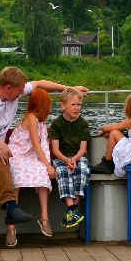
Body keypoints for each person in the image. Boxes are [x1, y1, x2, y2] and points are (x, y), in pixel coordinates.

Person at [0, 66, 88, 251]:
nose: (22, 94)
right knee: (1, 153)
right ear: (8, 87)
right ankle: (11, 206)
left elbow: (40, 83)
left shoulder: (15, 90)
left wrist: (69, 89)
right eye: (19, 91)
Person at [5, 89, 57, 245]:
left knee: (42, 175)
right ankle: (11, 226)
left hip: (30, 157)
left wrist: (45, 167)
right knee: (16, 178)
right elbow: (35, 143)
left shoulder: (40, 122)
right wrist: (48, 165)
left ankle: (45, 217)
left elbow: (39, 146)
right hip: (16, 156)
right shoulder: (32, 119)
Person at [49, 88, 92, 230]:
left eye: (79, 105)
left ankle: (73, 209)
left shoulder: (83, 124)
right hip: (61, 157)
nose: (76, 108)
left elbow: (83, 149)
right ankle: (72, 208)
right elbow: (55, 150)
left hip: (78, 157)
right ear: (63, 105)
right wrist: (67, 160)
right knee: (62, 172)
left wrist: (74, 159)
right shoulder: (57, 124)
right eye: (73, 105)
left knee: (83, 170)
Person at [92, 93, 131, 177]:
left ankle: (107, 163)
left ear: (130, 108)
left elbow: (112, 128)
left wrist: (103, 128)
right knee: (116, 133)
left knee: (114, 133)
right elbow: (123, 129)